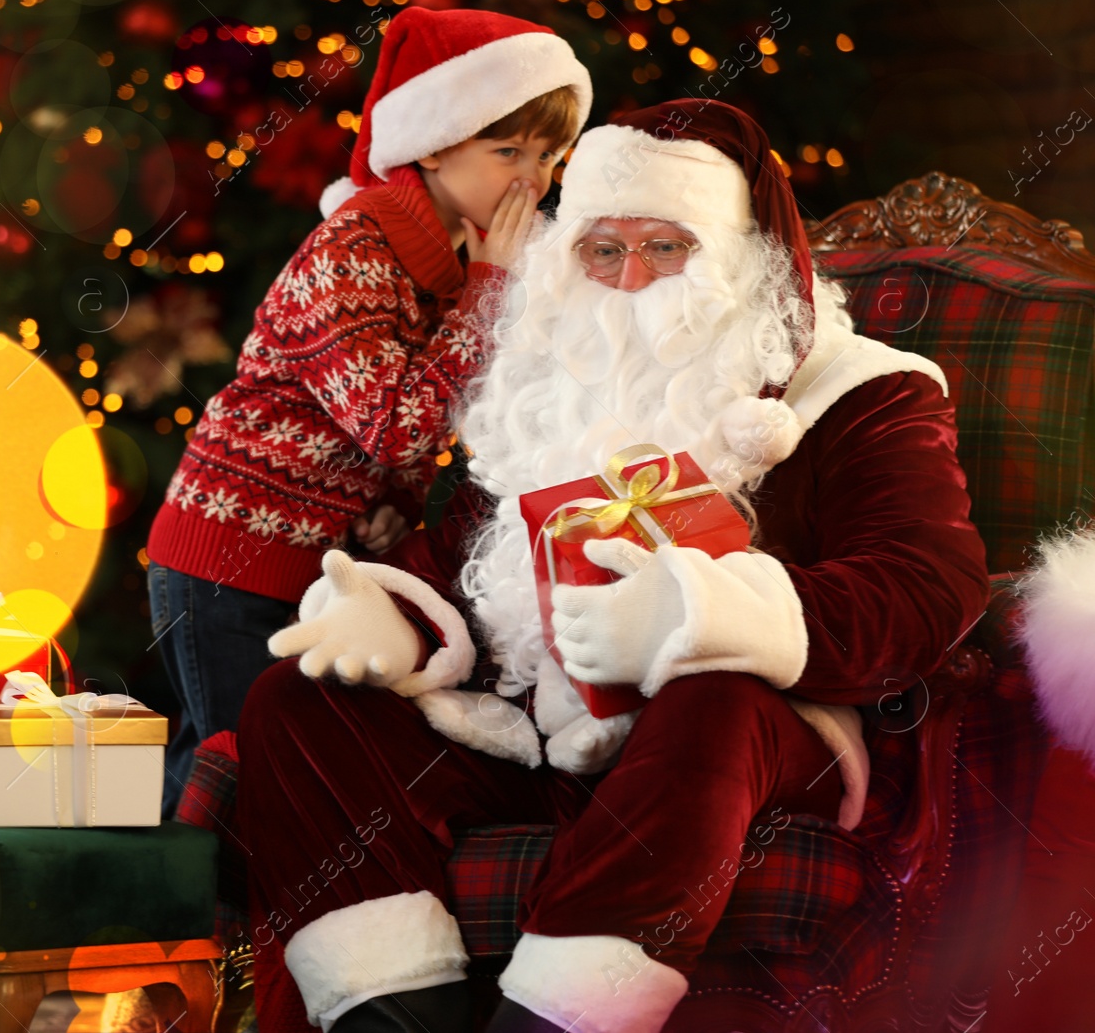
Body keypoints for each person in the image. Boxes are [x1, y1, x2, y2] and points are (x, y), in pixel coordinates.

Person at [234, 99, 990, 1033]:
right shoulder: (546, 386)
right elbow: (462, 562)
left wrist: (697, 615)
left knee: (708, 702)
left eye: (666, 247)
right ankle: (391, 1016)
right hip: (534, 729)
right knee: (298, 704)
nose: (629, 277)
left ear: (736, 257)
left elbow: (927, 586)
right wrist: (396, 616)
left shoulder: (863, 390)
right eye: (603, 249)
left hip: (744, 740)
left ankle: (558, 1018)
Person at [146, 7, 593, 813]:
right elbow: (395, 420)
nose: (534, 180)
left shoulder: (446, 261)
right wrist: (489, 292)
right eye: (508, 151)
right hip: (228, 557)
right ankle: (181, 935)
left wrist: (385, 505)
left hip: (309, 562)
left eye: (548, 156)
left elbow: (402, 428)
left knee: (248, 774)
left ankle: (179, 932)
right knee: (236, 772)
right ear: (433, 141)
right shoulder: (353, 250)